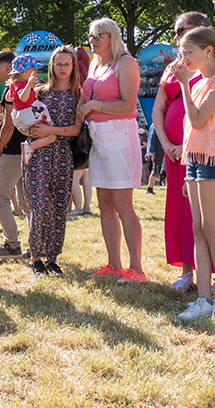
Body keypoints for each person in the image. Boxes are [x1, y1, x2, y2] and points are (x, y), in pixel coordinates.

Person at [79, 17, 144, 282]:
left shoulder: (126, 63)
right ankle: (114, 264)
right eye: (91, 35)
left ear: (113, 37)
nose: (92, 41)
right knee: (104, 204)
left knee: (122, 204)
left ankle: (137, 269)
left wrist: (95, 107)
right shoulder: (96, 64)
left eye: (98, 36)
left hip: (120, 135)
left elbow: (128, 106)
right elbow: (83, 100)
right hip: (98, 138)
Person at [152, 12, 211, 291]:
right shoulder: (173, 66)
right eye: (176, 33)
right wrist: (166, 144)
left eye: (183, 31)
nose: (177, 37)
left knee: (205, 220)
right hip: (178, 153)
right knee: (182, 212)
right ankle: (188, 271)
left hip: (201, 151)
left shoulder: (205, 65)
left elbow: (199, 117)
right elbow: (159, 108)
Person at [24, 46, 82, 276]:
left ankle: (52, 258)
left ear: (73, 66)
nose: (62, 68)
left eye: (67, 64)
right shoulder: (39, 92)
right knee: (39, 207)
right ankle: (35, 256)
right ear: (51, 66)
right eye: (58, 64)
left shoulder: (78, 94)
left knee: (59, 208)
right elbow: (24, 119)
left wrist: (52, 130)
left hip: (62, 156)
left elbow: (77, 130)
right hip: (38, 155)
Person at [173, 26, 215, 319]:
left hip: (211, 160)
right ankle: (205, 299)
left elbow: (198, 120)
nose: (184, 57)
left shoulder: (209, 83)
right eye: (182, 52)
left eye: (189, 51)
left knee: (211, 229)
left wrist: (185, 85)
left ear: (208, 50)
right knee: (198, 228)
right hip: (195, 161)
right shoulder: (199, 82)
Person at [0, 51, 29, 260]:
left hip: (13, 152)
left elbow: (8, 126)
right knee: (27, 201)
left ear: (7, 69)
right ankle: (37, 245)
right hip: (29, 150)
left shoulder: (10, 90)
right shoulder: (23, 88)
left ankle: (12, 244)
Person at [7, 54, 55, 164]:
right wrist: (29, 85)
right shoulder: (22, 85)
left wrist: (32, 89)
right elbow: (23, 98)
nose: (36, 74)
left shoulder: (15, 85)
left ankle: (31, 147)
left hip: (24, 117)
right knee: (51, 136)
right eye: (32, 71)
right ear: (21, 72)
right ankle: (30, 147)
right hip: (28, 117)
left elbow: (11, 97)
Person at [146, 123, 165, 194]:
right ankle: (149, 189)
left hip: (158, 149)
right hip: (159, 149)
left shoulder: (153, 125)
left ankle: (149, 189)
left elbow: (150, 139)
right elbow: (152, 139)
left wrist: (149, 152)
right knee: (156, 170)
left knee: (156, 170)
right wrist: (152, 154)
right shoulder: (157, 125)